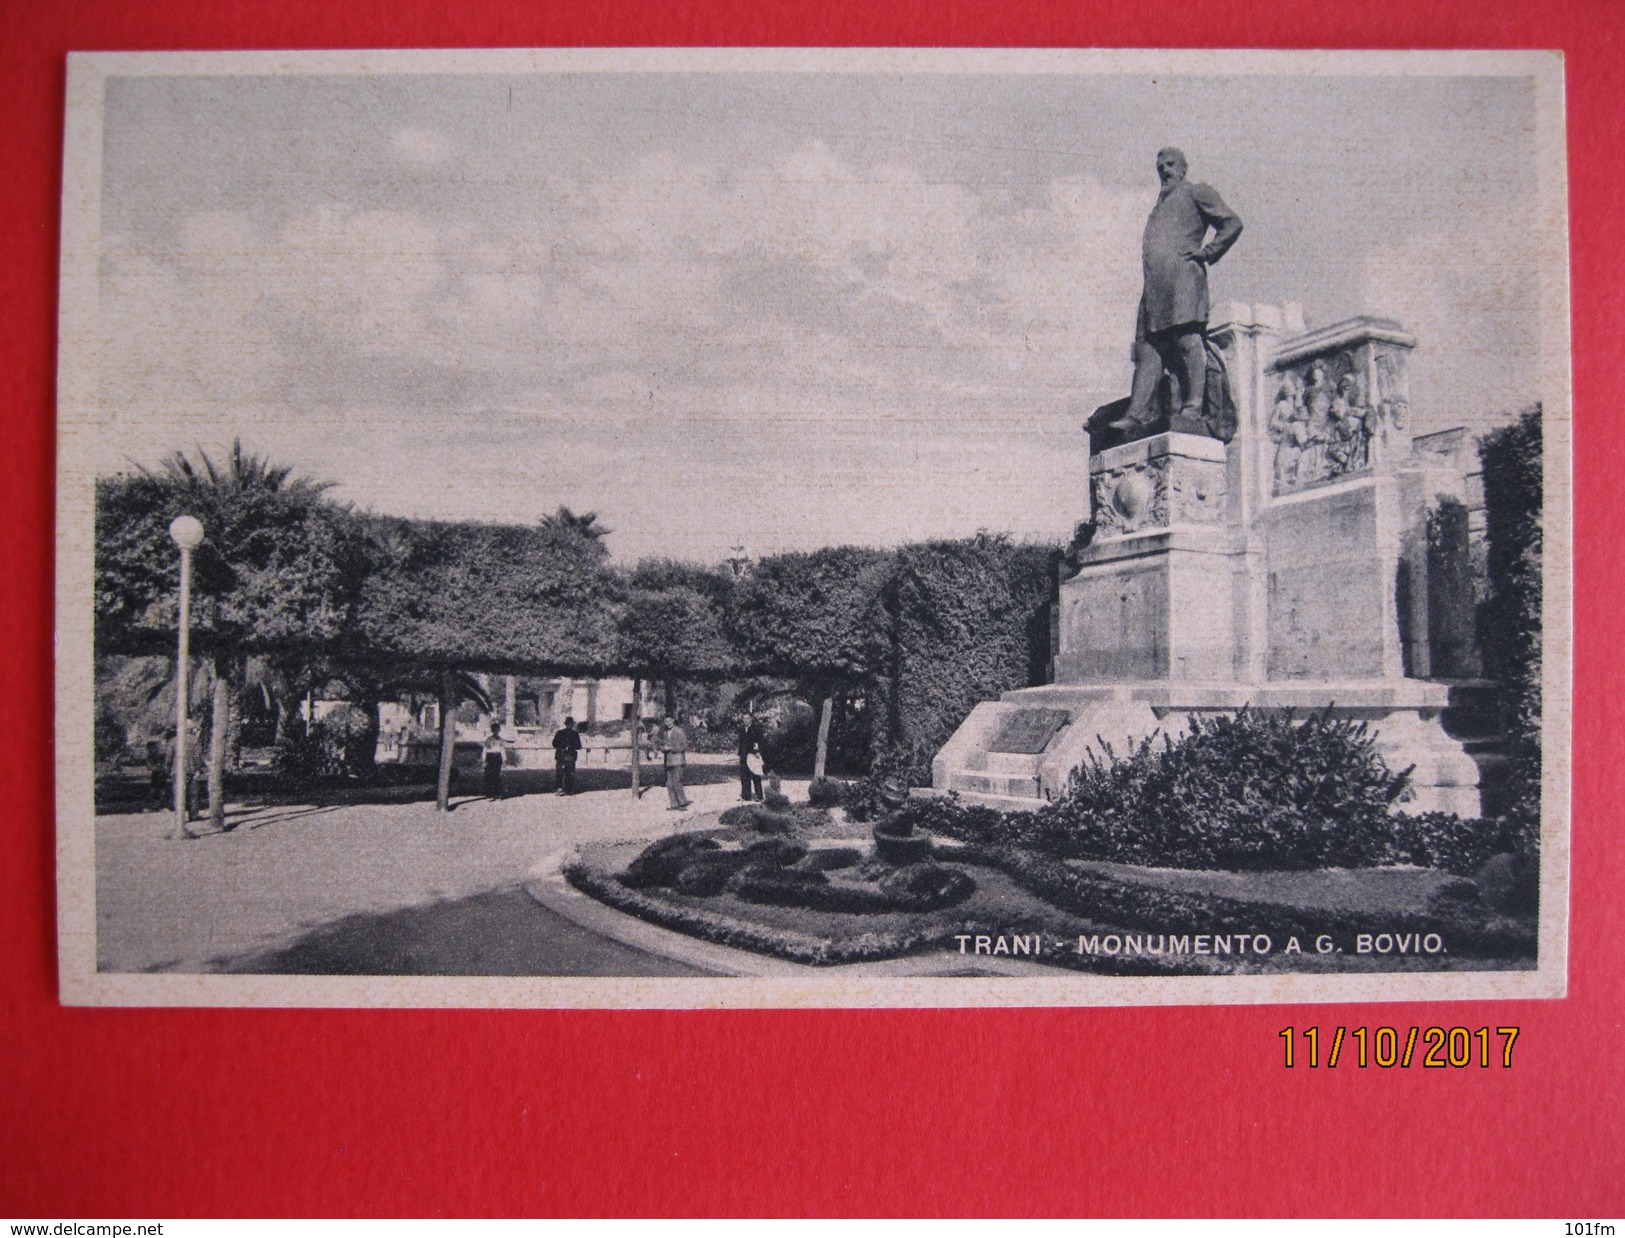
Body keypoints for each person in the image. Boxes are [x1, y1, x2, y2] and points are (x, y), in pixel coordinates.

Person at [1110, 148, 1243, 437]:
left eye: (1170, 165)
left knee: (1186, 340)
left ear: (1183, 168)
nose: (1164, 170)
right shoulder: (1158, 207)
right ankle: (1136, 413)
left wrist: (1208, 252)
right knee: (1148, 349)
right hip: (1154, 288)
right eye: (1160, 166)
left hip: (1184, 281)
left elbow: (1232, 223)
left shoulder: (1197, 192)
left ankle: (1193, 406)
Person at [661, 715, 692, 811]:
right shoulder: (665, 733)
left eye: (669, 721)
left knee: (677, 781)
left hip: (678, 760)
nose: (668, 723)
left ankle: (682, 803)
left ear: (673, 721)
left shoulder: (679, 731)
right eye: (666, 721)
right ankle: (674, 804)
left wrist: (671, 748)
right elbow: (663, 745)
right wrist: (663, 748)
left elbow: (685, 746)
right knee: (669, 783)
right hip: (668, 761)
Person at [552, 716, 582, 795]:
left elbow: (554, 744)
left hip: (561, 755)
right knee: (570, 773)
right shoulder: (575, 734)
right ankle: (569, 790)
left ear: (565, 724)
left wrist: (562, 746)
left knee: (560, 772)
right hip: (570, 755)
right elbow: (579, 746)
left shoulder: (559, 733)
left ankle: (559, 788)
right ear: (572, 724)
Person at [736, 708, 759, 801]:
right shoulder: (742, 729)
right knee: (744, 776)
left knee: (755, 775)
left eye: (747, 718)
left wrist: (757, 751)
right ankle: (746, 795)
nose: (745, 720)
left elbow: (758, 741)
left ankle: (759, 795)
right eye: (744, 718)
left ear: (751, 719)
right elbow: (741, 742)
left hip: (752, 755)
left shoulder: (755, 729)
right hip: (743, 755)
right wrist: (740, 753)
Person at [481, 722, 506, 799]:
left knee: (497, 775)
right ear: (492, 731)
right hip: (490, 757)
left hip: (497, 757)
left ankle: (497, 794)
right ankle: (490, 794)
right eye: (494, 730)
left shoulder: (501, 740)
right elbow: (485, 750)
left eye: (497, 730)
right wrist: (484, 760)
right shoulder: (488, 740)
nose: (496, 732)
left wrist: (504, 760)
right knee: (489, 775)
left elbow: (502, 750)